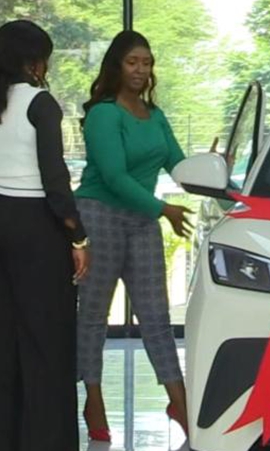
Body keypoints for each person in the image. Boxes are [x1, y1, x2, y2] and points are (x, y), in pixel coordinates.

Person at [0, 20, 90, 451]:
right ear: (34, 61)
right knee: (47, 340)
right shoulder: (40, 103)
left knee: (1, 338)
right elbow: (55, 180)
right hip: (36, 225)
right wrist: (78, 237)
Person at [75, 30, 193, 442]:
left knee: (156, 316)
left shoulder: (154, 115)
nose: (141, 70)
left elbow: (179, 165)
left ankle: (179, 402)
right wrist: (164, 210)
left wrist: (216, 172)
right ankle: (93, 398)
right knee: (94, 316)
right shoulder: (104, 114)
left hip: (142, 220)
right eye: (132, 62)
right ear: (117, 66)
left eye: (146, 62)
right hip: (99, 216)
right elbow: (114, 176)